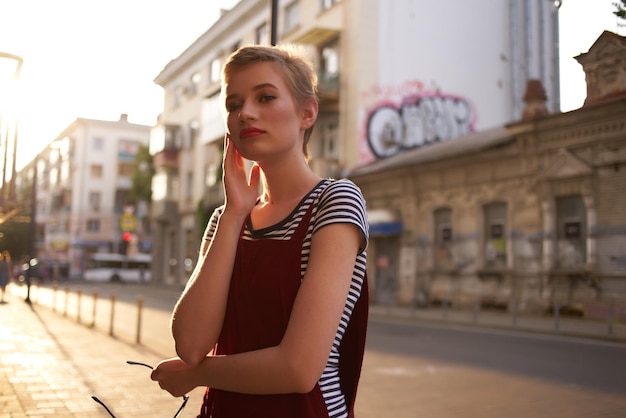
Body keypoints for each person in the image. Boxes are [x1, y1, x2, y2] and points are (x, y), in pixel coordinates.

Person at [151, 44, 369, 418]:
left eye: (265, 97)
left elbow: (298, 370)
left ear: (307, 112)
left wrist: (197, 374)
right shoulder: (226, 218)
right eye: (233, 105)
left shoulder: (334, 201)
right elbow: (190, 343)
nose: (245, 113)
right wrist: (236, 210)